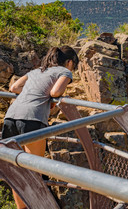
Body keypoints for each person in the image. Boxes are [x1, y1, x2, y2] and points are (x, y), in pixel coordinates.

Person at [1, 45, 79, 209]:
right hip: (33, 119)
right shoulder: (65, 72)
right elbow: (56, 92)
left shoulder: (36, 71)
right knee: (34, 170)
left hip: (11, 117)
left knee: (16, 170)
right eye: (75, 65)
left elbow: (14, 88)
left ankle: (21, 207)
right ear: (70, 62)